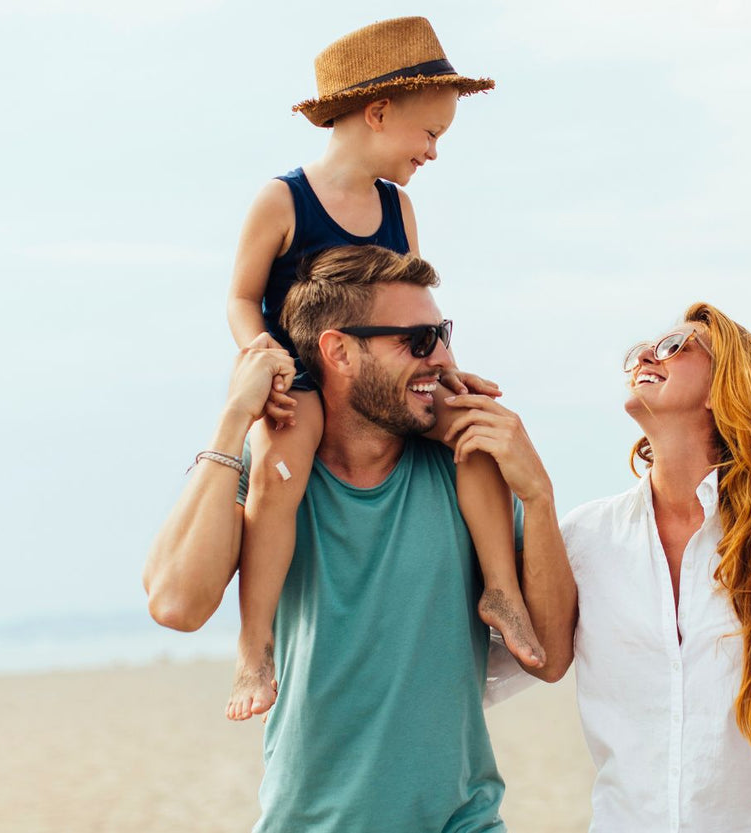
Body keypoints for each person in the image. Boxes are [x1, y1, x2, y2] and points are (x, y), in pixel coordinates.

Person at [143, 245, 575, 832]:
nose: (442, 358)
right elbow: (175, 604)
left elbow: (551, 657)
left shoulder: (467, 470)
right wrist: (233, 418)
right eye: (416, 341)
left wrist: (538, 494)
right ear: (339, 351)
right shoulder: (274, 477)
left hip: (464, 820)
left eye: (442, 334)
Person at [222, 16, 542, 721]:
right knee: (278, 466)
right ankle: (254, 642)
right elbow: (242, 298)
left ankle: (500, 589)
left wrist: (445, 369)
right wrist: (263, 357)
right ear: (377, 113)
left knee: (472, 428)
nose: (433, 151)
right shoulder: (283, 199)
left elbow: (414, 308)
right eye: (429, 133)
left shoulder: (398, 207)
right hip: (304, 377)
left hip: (382, 377)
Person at [511, 303, 751, 832]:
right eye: (643, 349)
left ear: (722, 388)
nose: (647, 355)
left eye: (674, 347)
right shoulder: (586, 537)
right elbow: (513, 658)